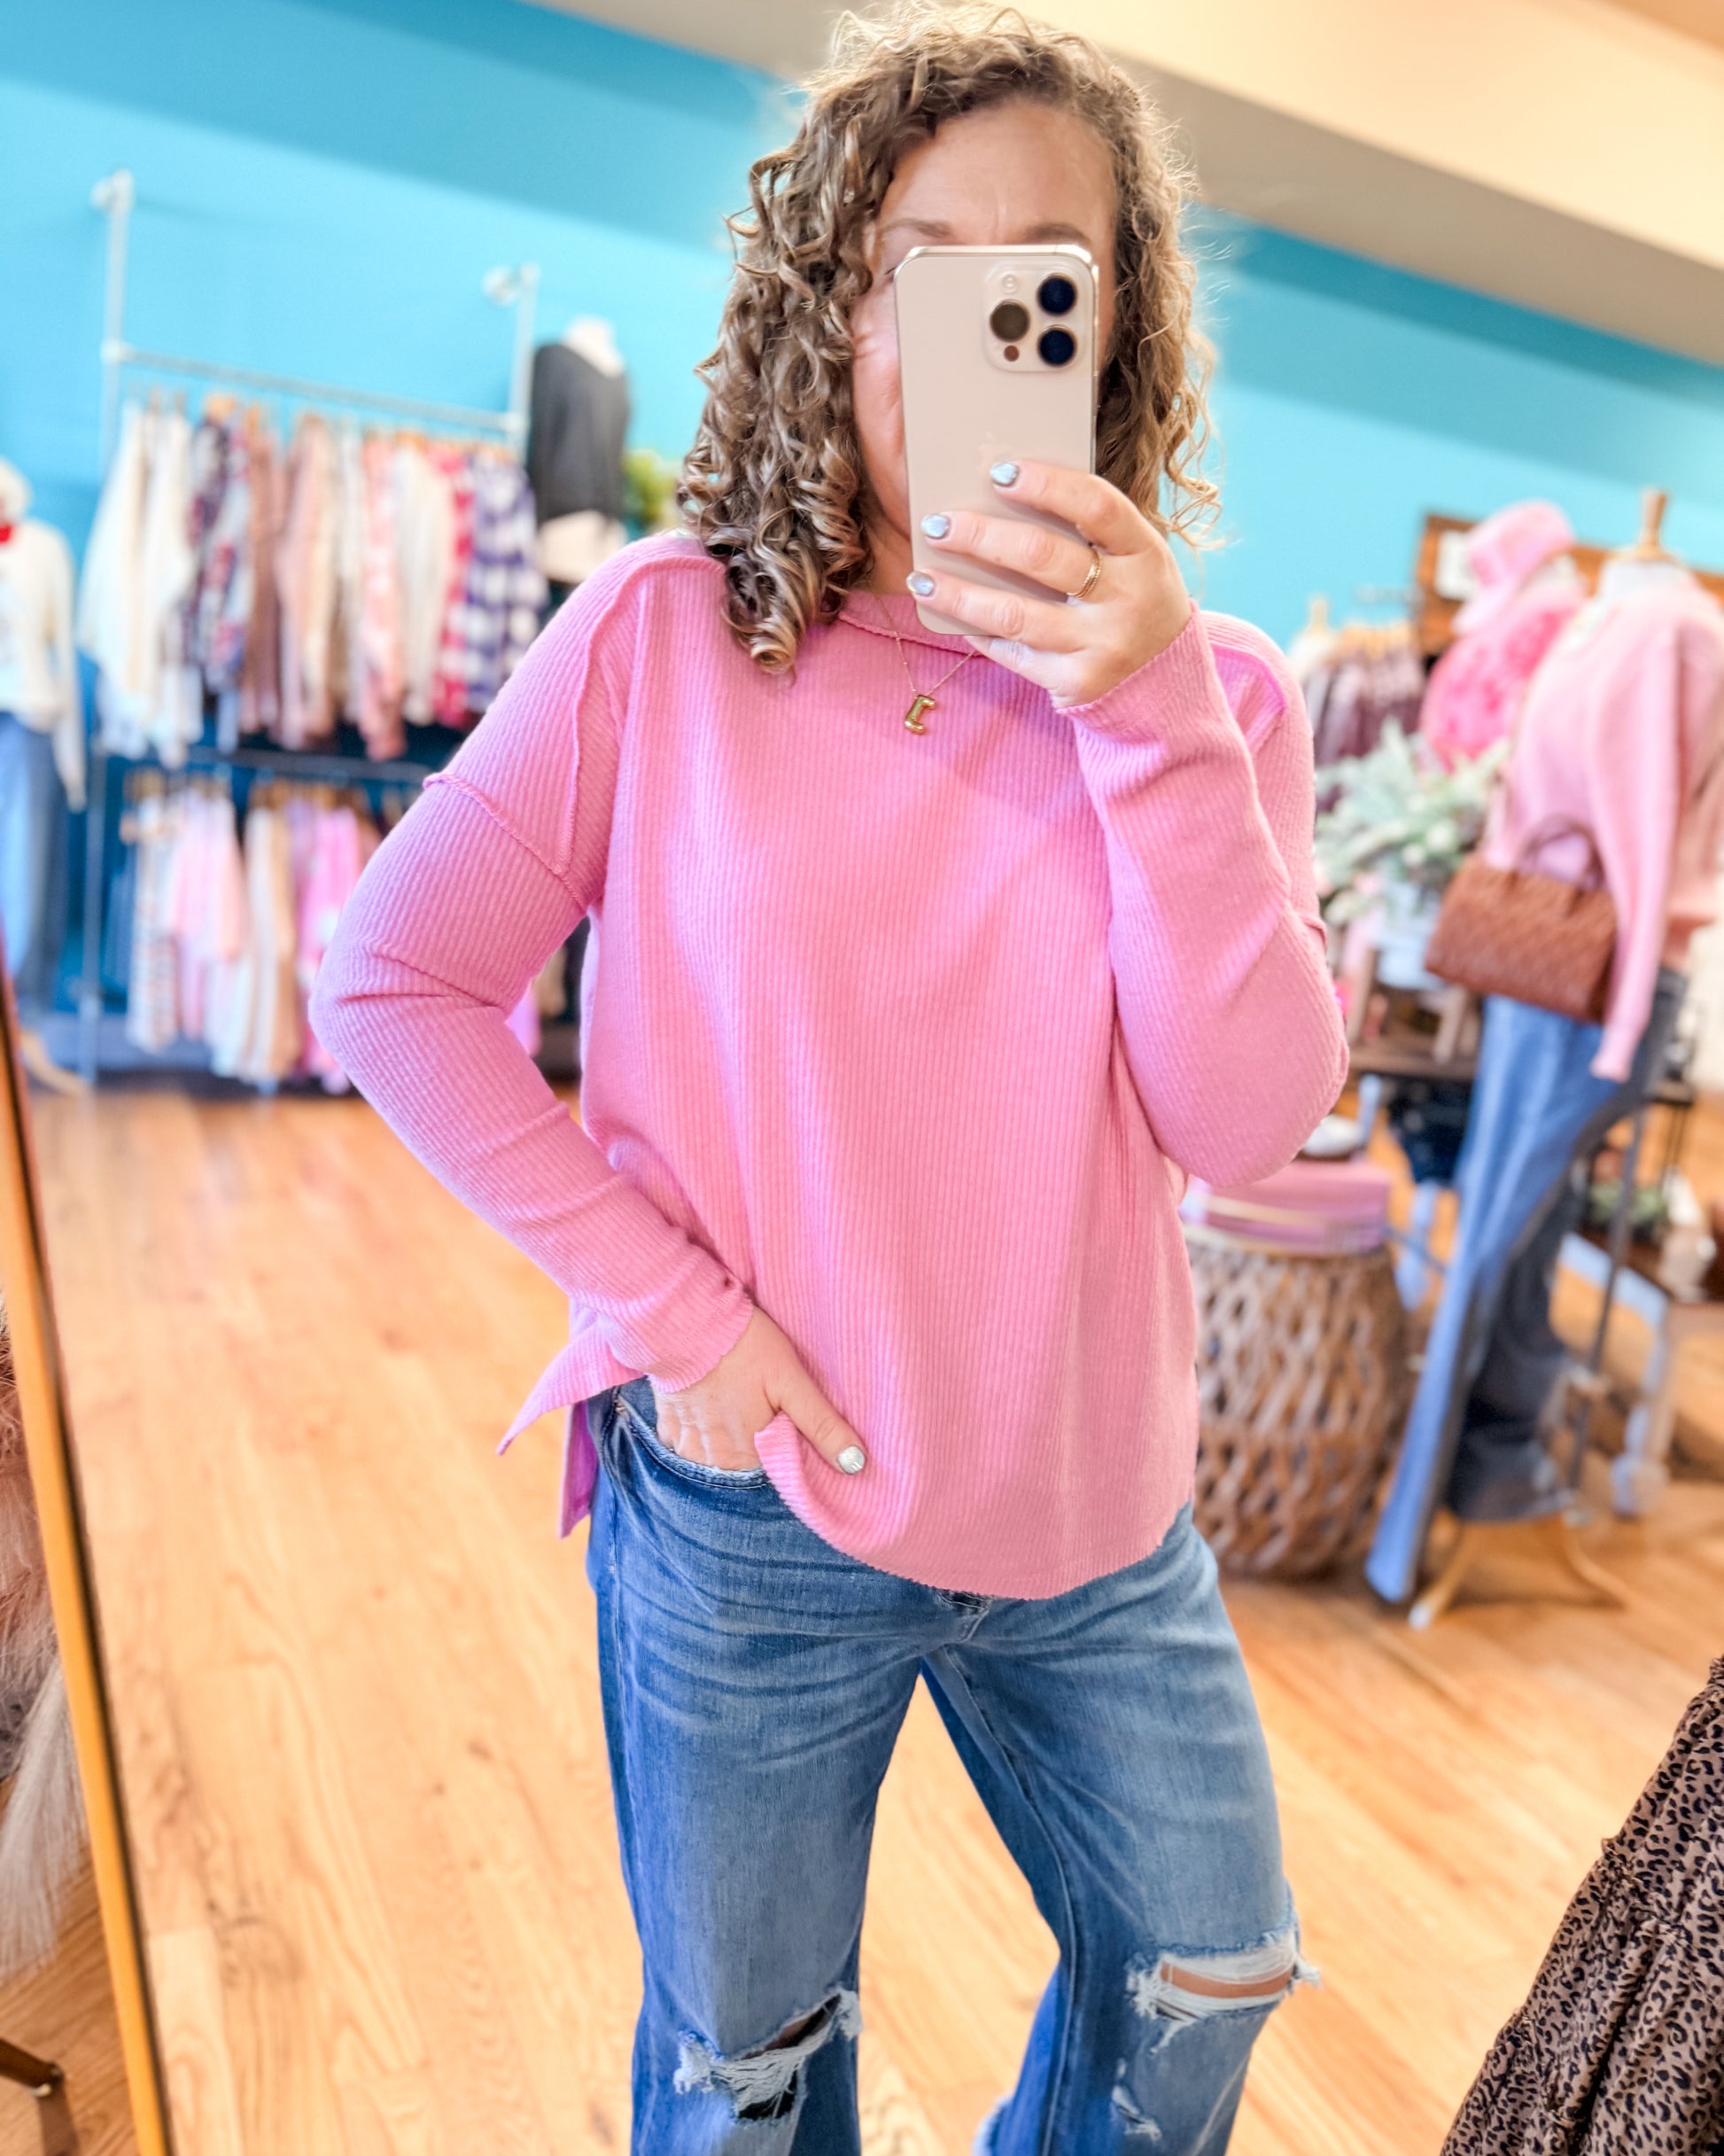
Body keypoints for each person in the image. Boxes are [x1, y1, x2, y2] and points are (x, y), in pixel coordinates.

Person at [314, 6, 1347, 2149]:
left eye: (1036, 276)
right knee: (749, 2070)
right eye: (920, 266)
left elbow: (1246, 1117)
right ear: (835, 304)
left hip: (1092, 1507)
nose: (973, 325)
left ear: (1112, 325)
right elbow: (392, 977)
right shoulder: (670, 636)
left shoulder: (1213, 693)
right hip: (753, 1503)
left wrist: (1139, 704)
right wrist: (672, 1314)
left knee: (1208, 1969)